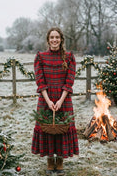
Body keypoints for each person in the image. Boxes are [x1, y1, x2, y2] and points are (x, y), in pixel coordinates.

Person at [32, 27, 79, 175]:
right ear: (48, 40)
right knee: (48, 129)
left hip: (63, 99)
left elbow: (69, 80)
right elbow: (40, 81)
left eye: (57, 37)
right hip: (45, 98)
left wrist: (60, 100)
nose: (54, 40)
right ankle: (49, 160)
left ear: (61, 39)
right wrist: (48, 100)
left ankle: (59, 161)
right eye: (52, 37)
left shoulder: (69, 57)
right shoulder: (40, 57)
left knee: (61, 129)